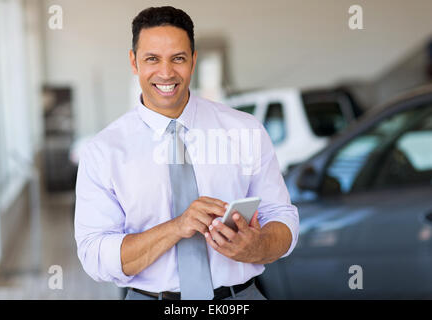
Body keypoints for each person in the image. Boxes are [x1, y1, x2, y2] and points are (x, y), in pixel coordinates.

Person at [74, 6, 299, 300]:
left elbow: (282, 218)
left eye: (178, 58)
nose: (166, 73)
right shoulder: (104, 151)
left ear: (193, 61)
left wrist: (259, 245)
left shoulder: (245, 130)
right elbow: (95, 256)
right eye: (152, 59)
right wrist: (177, 227)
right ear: (134, 62)